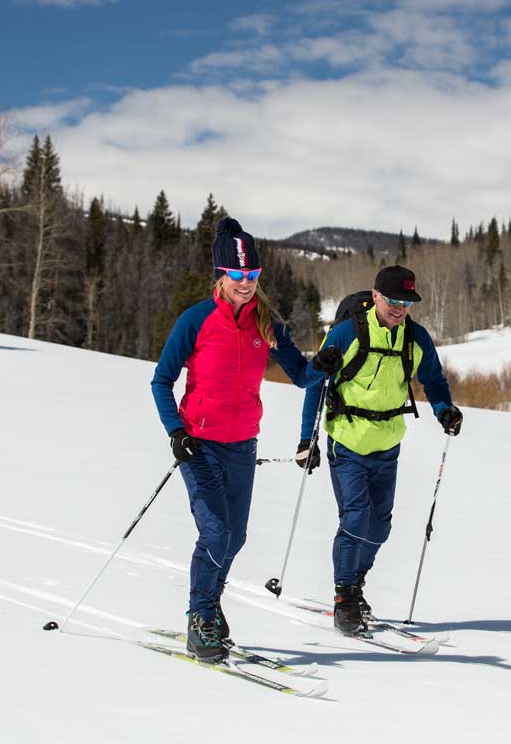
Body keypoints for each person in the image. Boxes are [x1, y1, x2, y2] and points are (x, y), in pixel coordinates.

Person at [152, 217, 310, 662]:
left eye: (253, 276)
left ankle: (210, 607)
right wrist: (175, 431)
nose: (246, 285)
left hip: (243, 444)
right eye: (238, 276)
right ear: (221, 275)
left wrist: (329, 364)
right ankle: (199, 617)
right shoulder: (196, 319)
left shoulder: (266, 323)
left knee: (235, 536)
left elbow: (302, 375)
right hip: (198, 444)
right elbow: (161, 380)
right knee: (216, 531)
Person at [297, 265, 463, 636]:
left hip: (388, 445)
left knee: (380, 527)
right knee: (356, 518)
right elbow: (314, 384)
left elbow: (433, 381)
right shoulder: (346, 333)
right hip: (348, 442)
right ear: (375, 296)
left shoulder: (415, 339)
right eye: (394, 300)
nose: (400, 308)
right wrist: (306, 440)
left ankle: (355, 583)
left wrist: (444, 409)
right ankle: (344, 598)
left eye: (407, 302)